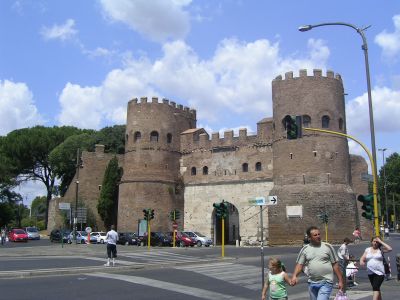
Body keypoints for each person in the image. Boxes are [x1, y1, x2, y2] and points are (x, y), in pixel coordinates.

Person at [291, 226, 344, 300]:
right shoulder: (305, 249)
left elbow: (335, 265)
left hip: (326, 281)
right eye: (315, 235)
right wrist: (294, 276)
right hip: (312, 282)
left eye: (319, 234)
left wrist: (340, 281)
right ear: (309, 238)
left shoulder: (328, 247)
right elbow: (299, 265)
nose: (318, 236)